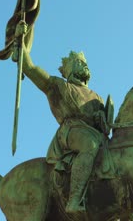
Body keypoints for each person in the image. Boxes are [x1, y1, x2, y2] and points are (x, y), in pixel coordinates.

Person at [19, 25, 108, 213]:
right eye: (79, 62)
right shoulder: (58, 86)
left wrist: (102, 119)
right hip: (71, 132)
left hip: (97, 136)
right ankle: (74, 200)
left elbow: (106, 126)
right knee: (89, 144)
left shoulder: (96, 97)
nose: (85, 65)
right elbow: (30, 67)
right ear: (68, 69)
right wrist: (22, 40)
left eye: (85, 62)